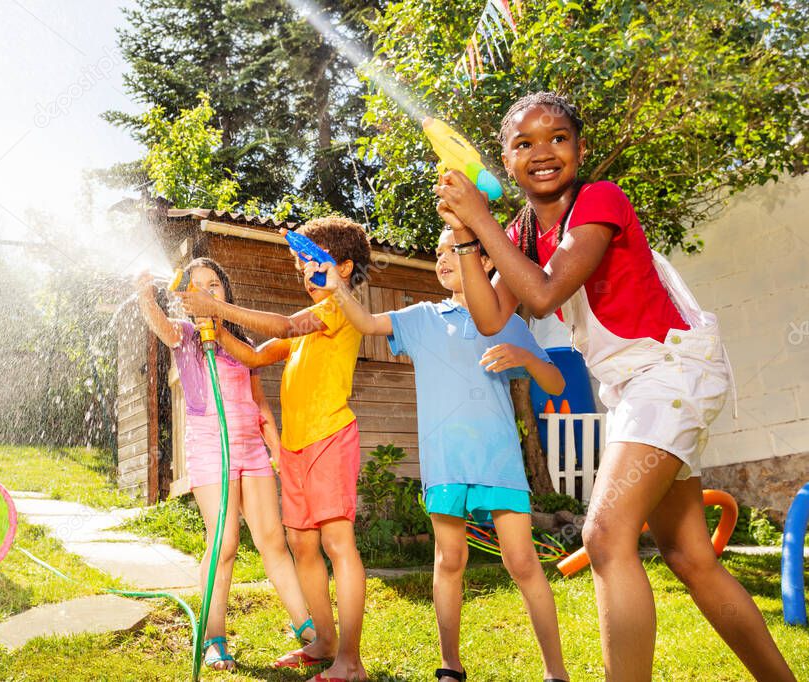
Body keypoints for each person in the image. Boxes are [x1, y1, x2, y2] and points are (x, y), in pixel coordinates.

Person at [434, 91, 794, 682]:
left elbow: (545, 293)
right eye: (523, 143)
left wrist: (481, 220)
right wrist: (471, 241)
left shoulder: (600, 201)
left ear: (580, 148)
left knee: (604, 536)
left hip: (669, 372)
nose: (542, 152)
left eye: (557, 138)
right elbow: (491, 317)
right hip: (635, 387)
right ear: (504, 160)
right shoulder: (523, 230)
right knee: (689, 557)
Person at [313, 226, 570, 682]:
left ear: (485, 261)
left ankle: (556, 673)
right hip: (446, 462)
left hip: (499, 462)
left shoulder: (509, 322)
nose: (443, 259)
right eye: (438, 252)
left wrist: (526, 358)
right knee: (450, 560)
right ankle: (450, 665)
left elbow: (556, 383)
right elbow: (370, 324)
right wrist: (336, 288)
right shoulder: (422, 317)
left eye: (455, 250)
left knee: (523, 562)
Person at [178, 216, 372, 682]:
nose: (305, 273)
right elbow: (252, 356)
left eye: (314, 263)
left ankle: (350, 659)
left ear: (343, 268)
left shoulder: (337, 309)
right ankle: (322, 640)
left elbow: (284, 326)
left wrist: (218, 308)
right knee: (301, 545)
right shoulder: (306, 330)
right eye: (300, 265)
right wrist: (213, 326)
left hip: (329, 439)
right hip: (298, 449)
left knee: (336, 544)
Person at [137, 258, 314, 671]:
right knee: (225, 543)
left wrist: (277, 449)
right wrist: (145, 293)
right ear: (184, 297)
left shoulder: (240, 342)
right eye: (196, 285)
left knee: (272, 540)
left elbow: (261, 404)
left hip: (250, 448)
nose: (206, 291)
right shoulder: (183, 336)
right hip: (209, 449)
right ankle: (214, 638)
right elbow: (160, 325)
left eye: (213, 284)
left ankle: (305, 625)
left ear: (225, 291)